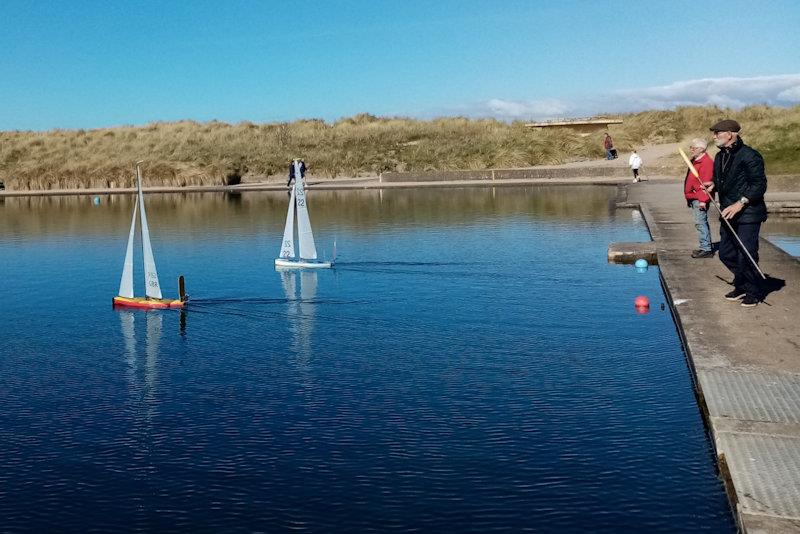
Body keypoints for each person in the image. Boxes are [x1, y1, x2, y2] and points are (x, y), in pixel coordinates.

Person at [707, 119, 768, 308]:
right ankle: (742, 283)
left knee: (746, 253)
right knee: (725, 253)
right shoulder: (719, 156)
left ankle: (753, 291)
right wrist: (713, 185)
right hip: (727, 212)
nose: (714, 136)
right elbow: (722, 179)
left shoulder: (750, 155)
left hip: (748, 212)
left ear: (731, 133)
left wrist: (740, 203)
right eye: (714, 133)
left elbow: (759, 185)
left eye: (718, 132)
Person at [684, 138, 714, 258]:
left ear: (701, 149)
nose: (691, 150)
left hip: (699, 198)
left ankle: (706, 249)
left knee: (700, 223)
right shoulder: (695, 161)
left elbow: (705, 184)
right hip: (693, 196)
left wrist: (703, 201)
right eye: (691, 147)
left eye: (694, 148)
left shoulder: (706, 163)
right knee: (699, 222)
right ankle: (704, 246)